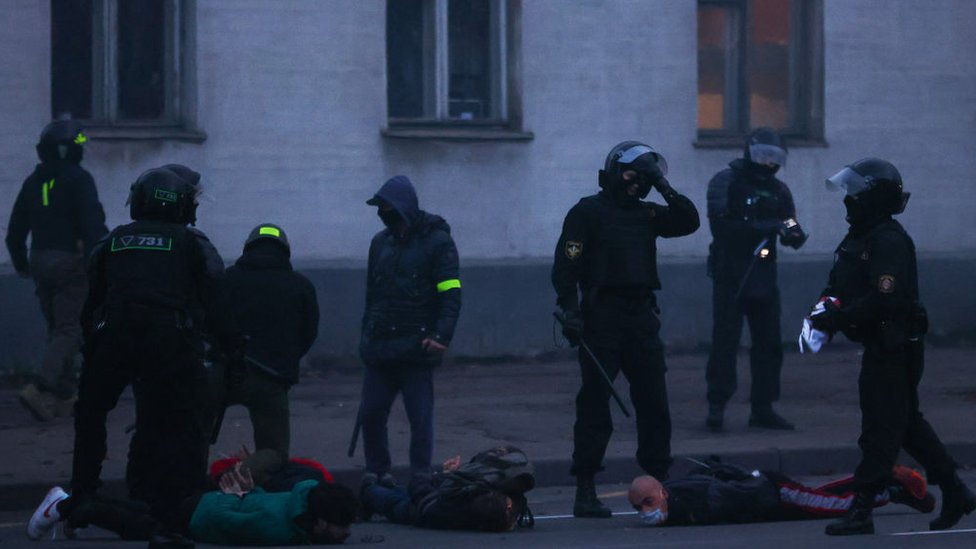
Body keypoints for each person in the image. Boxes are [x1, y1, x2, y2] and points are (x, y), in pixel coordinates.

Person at [65, 167, 235, 541]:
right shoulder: (193, 243)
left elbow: (90, 303)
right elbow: (217, 298)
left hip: (112, 337)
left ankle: (83, 492)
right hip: (168, 341)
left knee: (91, 413)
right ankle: (174, 504)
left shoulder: (112, 242)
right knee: (175, 420)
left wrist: (92, 348)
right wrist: (222, 350)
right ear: (183, 206)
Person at [809, 158, 975, 535]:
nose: (848, 201)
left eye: (855, 194)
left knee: (881, 428)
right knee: (907, 425)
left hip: (895, 345)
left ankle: (863, 508)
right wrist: (824, 309)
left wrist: (840, 318)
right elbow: (840, 284)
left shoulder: (888, 240)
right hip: (879, 344)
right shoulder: (859, 237)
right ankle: (956, 491)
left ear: (875, 198)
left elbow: (886, 298)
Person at [552, 141, 700, 518]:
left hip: (641, 319)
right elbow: (565, 269)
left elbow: (688, 220)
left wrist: (661, 183)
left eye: (645, 177)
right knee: (595, 406)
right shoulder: (587, 212)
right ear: (614, 172)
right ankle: (585, 489)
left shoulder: (648, 213)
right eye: (633, 174)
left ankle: (658, 484)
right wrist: (570, 312)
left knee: (654, 404)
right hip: (602, 318)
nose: (638, 184)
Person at [358, 175, 462, 485]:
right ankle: (377, 473)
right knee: (371, 415)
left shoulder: (437, 242)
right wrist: (366, 338)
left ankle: (419, 474)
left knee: (419, 417)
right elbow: (371, 295)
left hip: (418, 346)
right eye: (380, 207)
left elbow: (451, 292)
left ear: (403, 207)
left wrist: (442, 335)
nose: (382, 213)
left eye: (386, 207)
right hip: (381, 347)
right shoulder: (380, 243)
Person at [704, 127, 807, 432]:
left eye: (773, 158)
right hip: (730, 274)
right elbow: (722, 228)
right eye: (762, 156)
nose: (766, 164)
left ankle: (763, 407)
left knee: (769, 344)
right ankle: (717, 405)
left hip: (763, 276)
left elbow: (789, 221)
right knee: (725, 342)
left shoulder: (779, 190)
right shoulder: (726, 182)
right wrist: (767, 226)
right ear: (749, 152)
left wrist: (793, 233)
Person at [6, 119, 107, 421]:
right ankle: (40, 387)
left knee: (57, 328)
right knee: (70, 329)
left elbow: (14, 232)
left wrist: (23, 265)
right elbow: (92, 226)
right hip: (71, 264)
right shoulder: (80, 179)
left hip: (39, 261)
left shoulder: (33, 182)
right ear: (75, 150)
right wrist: (101, 262)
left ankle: (65, 397)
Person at [26, 464, 358, 546]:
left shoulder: (300, 498)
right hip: (200, 517)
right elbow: (234, 526)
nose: (345, 533)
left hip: (205, 504)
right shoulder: (278, 529)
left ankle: (77, 501)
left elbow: (256, 502)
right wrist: (203, 527)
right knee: (133, 526)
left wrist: (237, 497)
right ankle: (71, 507)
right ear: (323, 522)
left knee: (141, 512)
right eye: (342, 526)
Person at [215, 223, 319, 463]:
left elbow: (211, 321)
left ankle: (198, 491)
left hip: (224, 373)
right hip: (273, 378)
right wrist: (285, 359)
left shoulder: (227, 279)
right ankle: (258, 486)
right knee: (273, 453)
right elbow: (308, 332)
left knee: (194, 437)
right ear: (285, 250)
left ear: (248, 248)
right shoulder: (300, 285)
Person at [627, 460, 935, 527]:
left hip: (773, 493)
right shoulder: (677, 493)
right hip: (769, 493)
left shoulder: (689, 505)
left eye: (648, 502)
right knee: (820, 496)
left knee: (833, 506)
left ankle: (890, 493)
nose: (645, 511)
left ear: (661, 492)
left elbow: (732, 499)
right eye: (639, 508)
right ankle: (878, 475)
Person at [360, 447, 533, 532]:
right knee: (397, 492)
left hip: (418, 510)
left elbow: (420, 490)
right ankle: (388, 487)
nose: (510, 503)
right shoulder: (507, 508)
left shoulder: (446, 509)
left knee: (390, 501)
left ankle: (369, 490)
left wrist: (442, 475)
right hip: (434, 497)